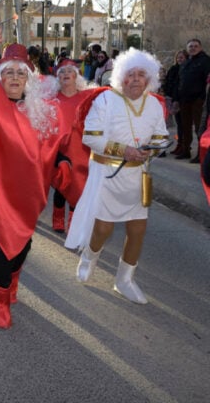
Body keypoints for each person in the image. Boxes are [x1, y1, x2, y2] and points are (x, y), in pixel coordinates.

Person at [0, 43, 71, 329]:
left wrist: (62, 161)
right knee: (3, 247)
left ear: (28, 79)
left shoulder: (39, 111)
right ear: (0, 77)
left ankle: (10, 286)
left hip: (28, 193)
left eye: (19, 73)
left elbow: (51, 145)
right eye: (7, 72)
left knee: (23, 246)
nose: (13, 78)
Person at [66, 48, 169, 304]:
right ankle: (89, 257)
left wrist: (152, 150)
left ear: (149, 79)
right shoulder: (105, 100)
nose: (135, 79)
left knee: (138, 230)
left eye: (140, 75)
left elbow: (160, 135)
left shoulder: (154, 103)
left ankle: (124, 281)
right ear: (120, 77)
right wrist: (124, 151)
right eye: (129, 74)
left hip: (137, 177)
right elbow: (90, 137)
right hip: (107, 173)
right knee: (102, 228)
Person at [51, 59, 96, 234]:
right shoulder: (52, 99)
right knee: (61, 183)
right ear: (57, 77)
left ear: (76, 76)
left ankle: (74, 222)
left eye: (70, 71)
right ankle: (57, 218)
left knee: (80, 185)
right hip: (60, 149)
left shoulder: (87, 97)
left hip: (82, 148)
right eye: (61, 72)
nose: (65, 74)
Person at [175, 39, 210, 161]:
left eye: (195, 46)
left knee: (199, 128)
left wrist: (202, 97)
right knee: (185, 127)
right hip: (185, 100)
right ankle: (186, 151)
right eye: (190, 46)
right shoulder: (186, 62)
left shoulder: (206, 61)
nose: (193, 48)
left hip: (198, 100)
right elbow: (180, 81)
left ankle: (201, 154)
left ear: (200, 47)